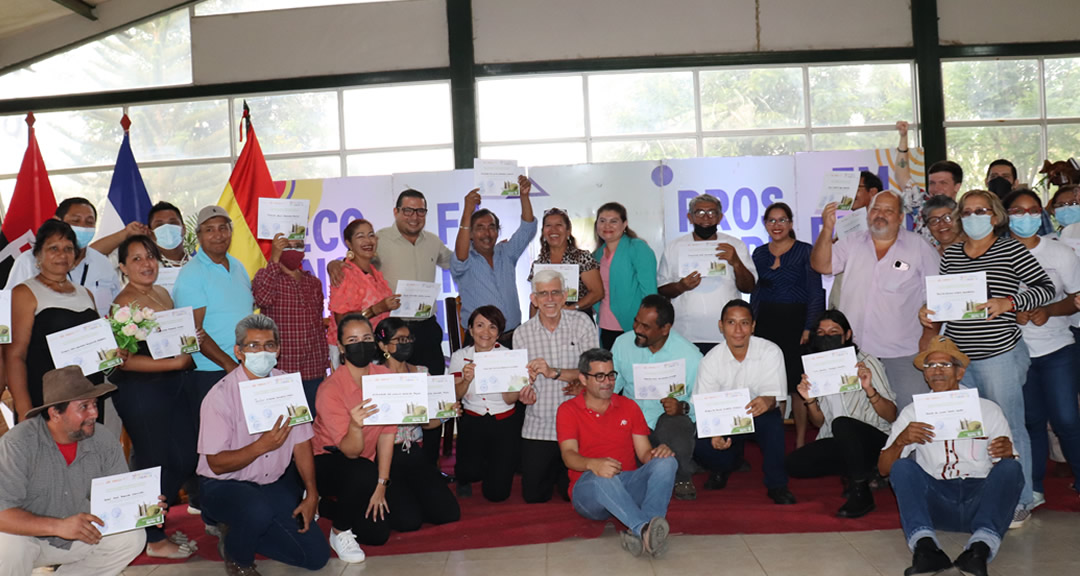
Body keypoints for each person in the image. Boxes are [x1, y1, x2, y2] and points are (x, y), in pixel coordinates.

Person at [919, 189, 1054, 526]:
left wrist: (1009, 303)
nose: (974, 216)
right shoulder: (951, 255)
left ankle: (1021, 499)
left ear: (994, 216)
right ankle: (976, 494)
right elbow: (942, 303)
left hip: (1000, 356)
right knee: (968, 429)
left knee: (1009, 427)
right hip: (960, 359)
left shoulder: (1010, 249)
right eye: (967, 211)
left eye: (981, 210)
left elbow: (1045, 288)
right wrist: (928, 311)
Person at [878, 337, 1022, 576]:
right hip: (937, 502)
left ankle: (979, 550)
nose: (936, 371)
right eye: (930, 366)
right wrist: (902, 440)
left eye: (944, 365)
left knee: (1011, 468)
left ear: (960, 372)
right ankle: (926, 549)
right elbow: (883, 469)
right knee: (903, 467)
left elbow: (1005, 472)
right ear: (924, 374)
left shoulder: (987, 409)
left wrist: (1006, 453)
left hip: (979, 499)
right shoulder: (913, 412)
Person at [197, 314, 329, 574]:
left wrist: (311, 492)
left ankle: (240, 532)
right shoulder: (221, 396)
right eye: (253, 346)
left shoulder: (287, 386)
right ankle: (239, 558)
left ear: (278, 350)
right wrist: (261, 446)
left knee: (315, 556)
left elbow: (302, 442)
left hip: (269, 483)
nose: (263, 352)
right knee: (256, 510)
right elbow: (217, 464)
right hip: (223, 485)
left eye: (269, 345)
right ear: (239, 352)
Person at [0, 367, 158, 576]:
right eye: (84, 406)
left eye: (94, 404)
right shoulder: (18, 444)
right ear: (55, 413)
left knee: (131, 537)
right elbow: (2, 514)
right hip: (27, 539)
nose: (94, 413)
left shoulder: (103, 439)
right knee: (9, 545)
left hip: (79, 536)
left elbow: (119, 499)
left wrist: (143, 506)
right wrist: (58, 526)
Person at [811, 189, 939, 411]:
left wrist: (928, 338)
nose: (880, 214)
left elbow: (937, 297)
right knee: (858, 416)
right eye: (876, 209)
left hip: (903, 352)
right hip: (856, 352)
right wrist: (827, 229)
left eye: (888, 211)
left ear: (900, 217)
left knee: (911, 415)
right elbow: (821, 265)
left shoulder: (920, 248)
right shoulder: (851, 242)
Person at [110, 235, 197, 559]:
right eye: (136, 259)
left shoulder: (161, 292)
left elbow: (177, 339)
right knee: (153, 462)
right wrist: (175, 361)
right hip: (140, 391)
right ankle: (152, 536)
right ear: (122, 267)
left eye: (150, 256)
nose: (146, 264)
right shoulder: (122, 305)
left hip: (174, 384)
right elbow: (123, 359)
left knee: (186, 455)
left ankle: (151, 520)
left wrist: (186, 350)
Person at [558, 347, 677, 558]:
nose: (608, 382)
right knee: (602, 476)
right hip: (588, 491)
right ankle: (643, 528)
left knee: (667, 462)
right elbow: (568, 455)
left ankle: (646, 530)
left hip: (627, 485)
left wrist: (658, 453)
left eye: (611, 375)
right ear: (583, 379)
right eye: (600, 376)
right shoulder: (568, 410)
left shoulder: (629, 407)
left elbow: (644, 455)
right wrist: (593, 464)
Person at [1001, 189, 1080, 505]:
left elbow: (1076, 301)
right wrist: (1012, 309)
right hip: (1014, 353)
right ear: (1006, 215)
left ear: (1041, 214)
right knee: (1030, 420)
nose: (1025, 216)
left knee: (1067, 420)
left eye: (1033, 210)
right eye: (1017, 211)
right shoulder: (997, 253)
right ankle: (1033, 489)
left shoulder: (1061, 253)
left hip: (1057, 348)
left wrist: (1048, 310)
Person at [785, 310, 897, 519]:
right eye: (821, 332)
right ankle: (861, 470)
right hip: (839, 438)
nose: (826, 336)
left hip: (874, 439)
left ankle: (860, 491)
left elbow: (891, 415)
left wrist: (869, 389)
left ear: (847, 335)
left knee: (843, 424)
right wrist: (808, 399)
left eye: (833, 331)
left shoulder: (866, 361)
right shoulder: (816, 366)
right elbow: (820, 423)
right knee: (794, 464)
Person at [311, 313, 397, 559]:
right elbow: (350, 451)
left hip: (366, 466)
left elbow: (387, 435)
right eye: (353, 339)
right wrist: (355, 426)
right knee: (360, 470)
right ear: (341, 346)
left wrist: (381, 485)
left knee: (377, 534)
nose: (361, 344)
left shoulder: (385, 378)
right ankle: (339, 532)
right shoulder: (330, 389)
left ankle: (322, 505)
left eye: (367, 338)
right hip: (327, 462)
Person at [693, 300, 796, 505]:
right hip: (724, 420)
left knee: (773, 423)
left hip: (758, 415)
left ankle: (777, 485)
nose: (738, 330)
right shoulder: (710, 361)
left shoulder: (770, 351)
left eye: (744, 323)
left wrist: (769, 401)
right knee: (702, 447)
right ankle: (724, 467)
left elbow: (776, 399)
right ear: (721, 326)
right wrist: (714, 433)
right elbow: (704, 407)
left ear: (753, 326)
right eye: (731, 323)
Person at [5, 221, 105, 421]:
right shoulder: (25, 293)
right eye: (53, 248)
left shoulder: (85, 294)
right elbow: (14, 355)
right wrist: (25, 409)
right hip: (46, 401)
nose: (62, 254)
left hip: (89, 396)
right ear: (37, 255)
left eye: (68, 249)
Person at [514, 269, 599, 503]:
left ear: (565, 296)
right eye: (542, 294)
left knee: (572, 495)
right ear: (534, 299)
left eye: (555, 293)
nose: (549, 299)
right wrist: (525, 394)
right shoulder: (521, 334)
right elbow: (521, 381)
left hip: (578, 422)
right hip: (539, 422)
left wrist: (556, 373)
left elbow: (594, 372)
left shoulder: (582, 323)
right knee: (534, 496)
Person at [372, 317, 460, 530]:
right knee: (408, 522)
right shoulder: (373, 376)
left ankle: (413, 497)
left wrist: (445, 414)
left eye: (408, 338)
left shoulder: (421, 372)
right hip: (386, 455)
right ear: (383, 345)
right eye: (399, 339)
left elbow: (428, 424)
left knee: (448, 513)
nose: (406, 343)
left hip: (414, 451)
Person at [612, 295, 702, 500]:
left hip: (667, 422)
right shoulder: (622, 344)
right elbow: (612, 387)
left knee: (677, 423)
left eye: (645, 326)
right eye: (636, 321)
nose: (637, 329)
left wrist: (683, 407)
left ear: (665, 328)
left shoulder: (690, 355)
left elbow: (702, 399)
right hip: (631, 419)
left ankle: (682, 475)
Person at [172, 206, 255, 430]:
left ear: (231, 232)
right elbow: (194, 331)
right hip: (211, 372)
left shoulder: (237, 266)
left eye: (223, 228)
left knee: (246, 438)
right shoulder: (192, 274)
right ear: (198, 236)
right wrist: (229, 365)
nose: (218, 234)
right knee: (218, 446)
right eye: (209, 229)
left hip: (244, 366)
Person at [750, 202, 824, 449]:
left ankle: (801, 442)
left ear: (791, 224)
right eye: (771, 220)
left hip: (797, 322)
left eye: (782, 220)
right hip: (767, 322)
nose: (777, 225)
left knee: (795, 385)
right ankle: (775, 441)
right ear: (765, 224)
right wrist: (753, 321)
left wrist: (809, 327)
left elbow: (815, 292)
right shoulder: (759, 254)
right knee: (772, 382)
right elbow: (758, 291)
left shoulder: (805, 251)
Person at [658, 193, 757, 354]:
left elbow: (749, 287)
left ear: (720, 217)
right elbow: (662, 289)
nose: (706, 218)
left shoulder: (735, 245)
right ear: (690, 217)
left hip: (727, 334)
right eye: (699, 213)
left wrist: (736, 262)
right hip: (686, 334)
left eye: (712, 213)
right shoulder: (674, 247)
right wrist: (681, 286)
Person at [5, 198, 123, 316]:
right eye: (75, 221)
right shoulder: (27, 261)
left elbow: (116, 307)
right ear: (57, 220)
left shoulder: (102, 263)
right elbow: (8, 309)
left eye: (89, 222)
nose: (83, 227)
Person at [450, 305, 521, 501]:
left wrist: (511, 381)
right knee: (470, 472)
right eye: (480, 325)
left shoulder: (509, 357)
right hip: (473, 418)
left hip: (504, 420)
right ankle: (464, 476)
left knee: (497, 495)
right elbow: (455, 394)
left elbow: (511, 399)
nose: (485, 332)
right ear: (470, 330)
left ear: (499, 333)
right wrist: (466, 379)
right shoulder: (460, 356)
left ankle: (495, 465)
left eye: (492, 327)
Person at [253, 233, 327, 415]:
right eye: (287, 245)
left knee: (312, 423)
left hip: (313, 369)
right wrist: (275, 257)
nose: (293, 250)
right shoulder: (266, 277)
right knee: (285, 426)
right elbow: (262, 298)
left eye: (298, 245)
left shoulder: (313, 282)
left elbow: (318, 325)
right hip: (282, 370)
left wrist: (324, 364)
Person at [452, 175, 536, 334]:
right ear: (470, 234)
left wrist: (524, 196)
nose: (486, 233)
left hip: (513, 336)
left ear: (498, 232)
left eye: (491, 227)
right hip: (480, 340)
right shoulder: (464, 257)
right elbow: (460, 256)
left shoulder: (506, 252)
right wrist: (468, 210)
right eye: (479, 228)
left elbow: (527, 229)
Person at [326, 218, 399, 370]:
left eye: (371, 235)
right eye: (360, 236)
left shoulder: (376, 273)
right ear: (349, 243)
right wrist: (376, 309)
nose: (368, 240)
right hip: (352, 350)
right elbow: (343, 321)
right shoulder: (343, 272)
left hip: (375, 347)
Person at [592, 202, 658, 349]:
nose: (607, 226)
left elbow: (650, 292)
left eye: (613, 221)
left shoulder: (637, 248)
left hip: (633, 324)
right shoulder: (596, 255)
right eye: (602, 221)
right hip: (605, 324)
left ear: (624, 224)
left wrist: (647, 324)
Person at [894, 120, 964, 240]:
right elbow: (901, 175)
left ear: (957, 186)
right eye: (932, 183)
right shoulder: (921, 204)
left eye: (943, 183)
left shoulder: (966, 213)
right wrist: (903, 137)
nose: (936, 188)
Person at [528, 207, 603, 316]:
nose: (553, 230)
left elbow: (597, 292)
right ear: (543, 232)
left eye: (559, 225)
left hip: (578, 320)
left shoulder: (581, 258)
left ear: (568, 231)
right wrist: (532, 326)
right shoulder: (539, 264)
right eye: (548, 225)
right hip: (547, 324)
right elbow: (535, 300)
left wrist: (573, 308)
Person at [826, 171, 880, 311]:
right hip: (841, 302)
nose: (850, 194)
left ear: (872, 192)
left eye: (856, 188)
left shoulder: (887, 227)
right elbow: (828, 266)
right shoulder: (846, 224)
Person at [147, 201, 193, 269]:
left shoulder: (201, 266)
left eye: (173, 223)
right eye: (160, 225)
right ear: (151, 234)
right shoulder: (148, 269)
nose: (167, 229)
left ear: (183, 229)